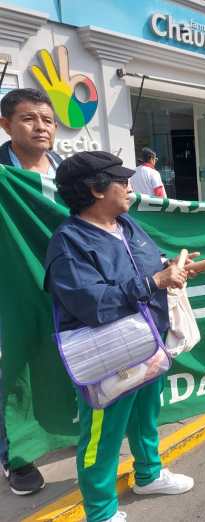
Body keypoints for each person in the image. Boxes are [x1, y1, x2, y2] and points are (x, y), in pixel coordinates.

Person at [44, 151, 196, 522]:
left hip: (149, 343)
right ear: (97, 189)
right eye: (122, 182)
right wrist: (152, 282)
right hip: (108, 356)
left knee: (147, 416)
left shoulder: (127, 225)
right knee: (102, 436)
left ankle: (148, 474)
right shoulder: (69, 242)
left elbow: (149, 265)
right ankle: (100, 512)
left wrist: (170, 268)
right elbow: (90, 303)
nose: (130, 188)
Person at [0, 88, 63, 496]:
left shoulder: (68, 172)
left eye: (47, 120)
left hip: (61, 286)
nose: (40, 127)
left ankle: (58, 427)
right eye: (29, 118)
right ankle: (15, 456)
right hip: (12, 288)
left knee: (60, 357)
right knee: (13, 369)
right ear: (6, 125)